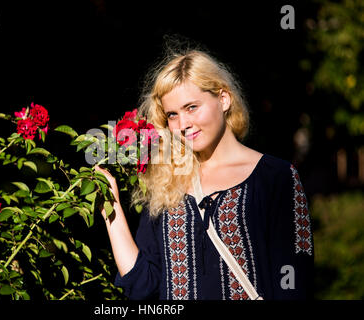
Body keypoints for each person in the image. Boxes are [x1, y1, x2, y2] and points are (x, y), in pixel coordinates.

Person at [95, 48, 314, 300]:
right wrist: (110, 209)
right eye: (172, 115)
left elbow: (296, 282)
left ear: (223, 99)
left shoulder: (277, 177)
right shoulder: (166, 182)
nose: (183, 124)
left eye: (192, 107)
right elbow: (143, 286)